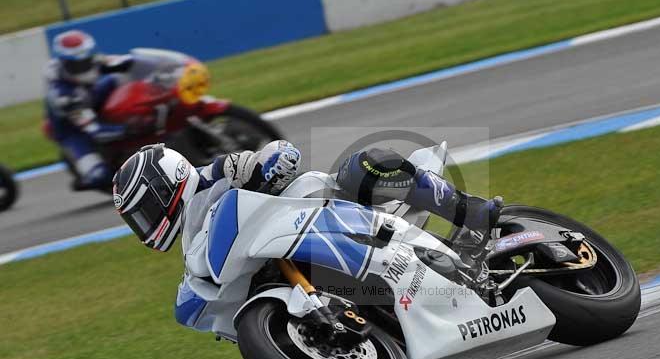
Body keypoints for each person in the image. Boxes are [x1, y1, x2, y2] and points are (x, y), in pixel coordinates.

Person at [112, 141, 502, 255]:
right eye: (138, 221)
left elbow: (282, 150)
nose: (146, 226)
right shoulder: (191, 244)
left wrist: (267, 166)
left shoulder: (216, 172)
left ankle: (471, 213)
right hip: (286, 247)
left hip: (324, 205)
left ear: (166, 185)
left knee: (364, 164)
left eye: (144, 212)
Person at [45, 29, 131, 189]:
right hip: (72, 128)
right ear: (64, 63)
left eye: (86, 60)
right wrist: (128, 128)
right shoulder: (62, 94)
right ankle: (89, 175)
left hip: (91, 97)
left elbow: (120, 62)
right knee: (99, 175)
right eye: (76, 64)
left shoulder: (93, 61)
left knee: (119, 79)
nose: (83, 67)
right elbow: (93, 129)